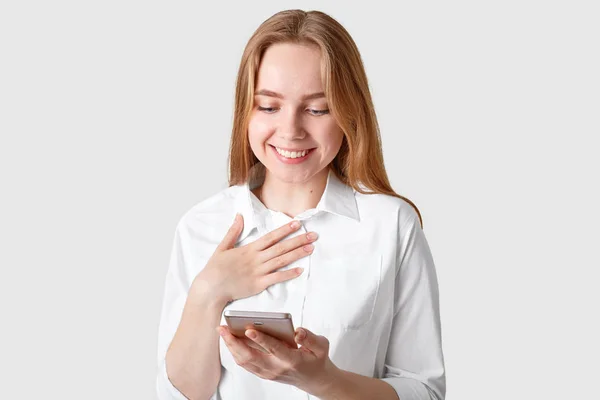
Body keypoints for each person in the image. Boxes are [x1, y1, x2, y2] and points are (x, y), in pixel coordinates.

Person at [156, 9, 445, 400]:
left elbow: (424, 391)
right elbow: (179, 393)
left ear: (349, 112)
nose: (290, 130)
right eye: (269, 106)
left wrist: (323, 380)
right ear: (246, 111)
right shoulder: (201, 226)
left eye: (317, 108)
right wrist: (210, 290)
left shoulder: (391, 226)